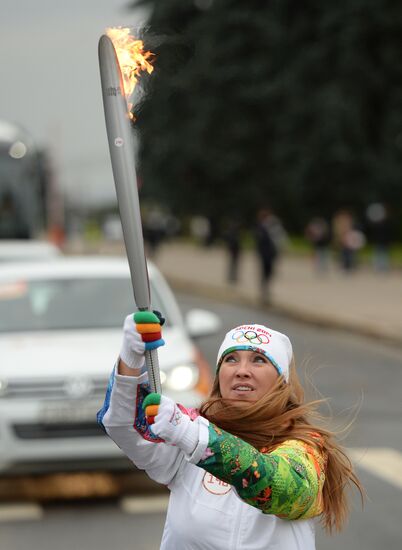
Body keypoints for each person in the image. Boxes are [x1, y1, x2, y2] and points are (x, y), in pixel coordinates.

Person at [98, 313, 363, 550]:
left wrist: (197, 438)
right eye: (231, 360)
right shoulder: (190, 433)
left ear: (281, 381)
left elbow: (285, 489)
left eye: (259, 360)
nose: (242, 371)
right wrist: (130, 360)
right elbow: (125, 427)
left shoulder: (306, 447)